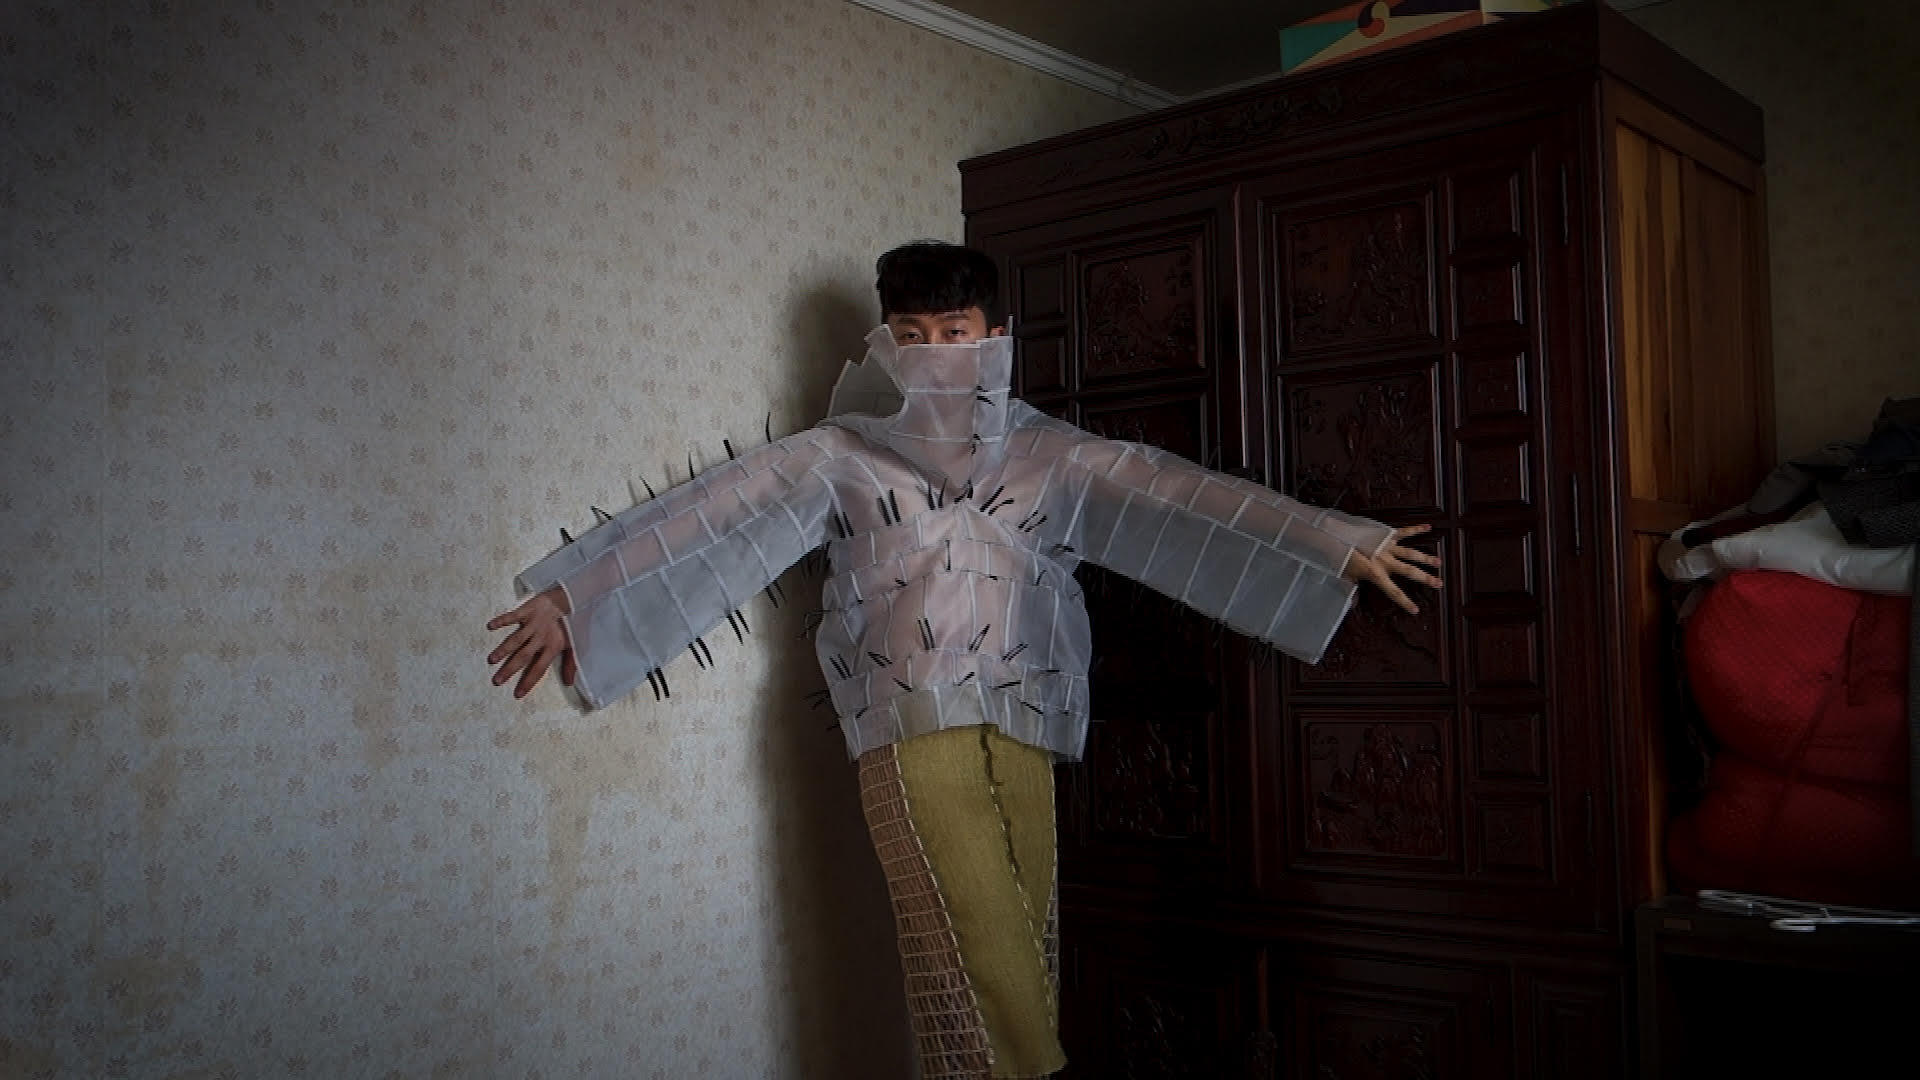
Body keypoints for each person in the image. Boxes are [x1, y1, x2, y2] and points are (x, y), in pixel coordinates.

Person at [486, 241, 1441, 1077]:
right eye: (914, 332)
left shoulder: (1047, 455)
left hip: (1026, 714)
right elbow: (710, 516)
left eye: (956, 330)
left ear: (995, 332)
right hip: (908, 722)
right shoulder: (839, 455)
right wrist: (573, 600)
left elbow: (1181, 496)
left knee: (1027, 925)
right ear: (887, 343)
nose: (937, 352)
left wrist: (1335, 543)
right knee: (967, 930)